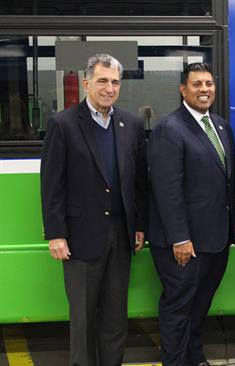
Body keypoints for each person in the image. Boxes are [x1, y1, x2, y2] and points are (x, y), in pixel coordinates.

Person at [40, 53, 147, 366]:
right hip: (80, 237)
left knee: (115, 319)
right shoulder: (64, 124)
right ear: (86, 83)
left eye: (115, 81)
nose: (109, 87)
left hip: (121, 235)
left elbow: (139, 181)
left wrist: (139, 225)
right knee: (84, 319)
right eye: (102, 80)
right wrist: (56, 233)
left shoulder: (132, 124)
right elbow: (52, 185)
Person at [148, 62, 235, 366]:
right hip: (185, 244)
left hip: (216, 239)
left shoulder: (221, 126)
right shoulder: (168, 129)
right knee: (178, 307)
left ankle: (195, 357)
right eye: (197, 84)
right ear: (183, 90)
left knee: (200, 306)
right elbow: (167, 190)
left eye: (209, 84)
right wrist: (180, 238)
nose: (204, 89)